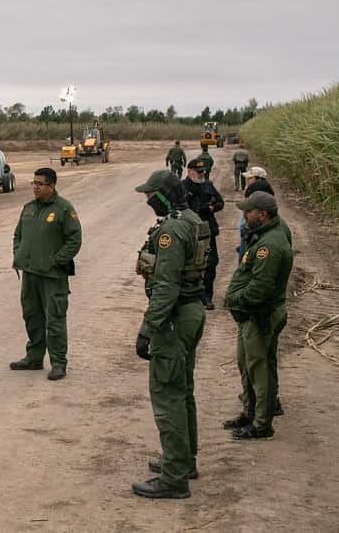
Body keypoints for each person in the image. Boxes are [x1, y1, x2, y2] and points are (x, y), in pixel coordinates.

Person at [130, 170, 209, 499]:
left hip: (174, 319)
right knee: (183, 389)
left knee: (168, 394)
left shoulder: (172, 229)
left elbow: (166, 285)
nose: (147, 200)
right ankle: (182, 461)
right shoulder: (191, 219)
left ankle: (175, 477)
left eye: (151, 194)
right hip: (191, 312)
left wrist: (148, 328)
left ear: (163, 195)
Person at [224, 191, 293, 440]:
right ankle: (250, 413)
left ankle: (262, 424)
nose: (245, 216)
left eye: (249, 212)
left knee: (259, 369)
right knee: (248, 365)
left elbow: (260, 287)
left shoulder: (269, 245)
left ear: (262, 215)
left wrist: (236, 300)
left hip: (260, 313)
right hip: (252, 314)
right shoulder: (265, 234)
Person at [10, 167, 82, 380]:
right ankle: (34, 357)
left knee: (55, 319)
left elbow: (74, 239)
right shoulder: (29, 208)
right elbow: (18, 235)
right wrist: (19, 254)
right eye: (33, 183)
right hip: (30, 273)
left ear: (51, 186)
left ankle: (58, 362)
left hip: (52, 276)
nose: (35, 187)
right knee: (32, 316)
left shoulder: (63, 209)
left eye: (40, 184)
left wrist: (57, 260)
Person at [184, 159, 224, 310]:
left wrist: (211, 208)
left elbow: (220, 202)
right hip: (190, 232)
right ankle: (192, 297)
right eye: (198, 172)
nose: (201, 175)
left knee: (211, 263)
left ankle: (207, 296)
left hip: (207, 231)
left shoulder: (208, 185)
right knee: (191, 265)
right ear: (189, 171)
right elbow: (174, 206)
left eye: (203, 172)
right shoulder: (182, 187)